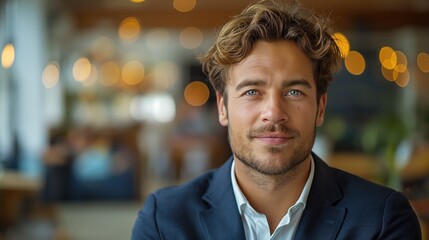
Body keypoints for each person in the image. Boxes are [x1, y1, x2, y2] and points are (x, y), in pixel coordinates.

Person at [131, 0, 422, 239]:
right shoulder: (165, 221)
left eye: (294, 91)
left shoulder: (382, 220)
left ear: (320, 108)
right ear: (223, 108)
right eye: (252, 91)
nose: (274, 112)